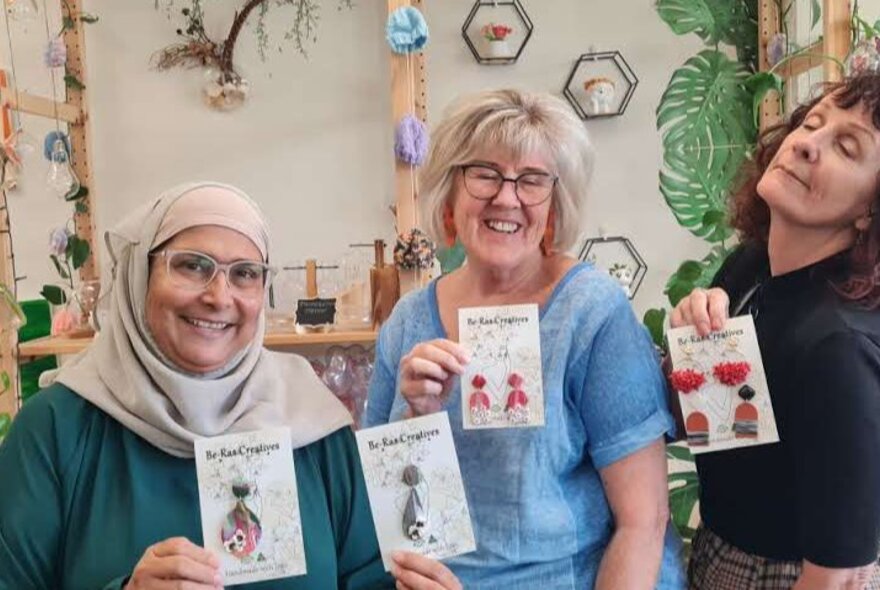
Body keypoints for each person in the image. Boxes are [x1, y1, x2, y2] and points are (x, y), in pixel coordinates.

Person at [0, 182, 461, 590]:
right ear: (140, 275)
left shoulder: (311, 424)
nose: (218, 296)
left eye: (244, 273)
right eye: (191, 266)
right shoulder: (58, 429)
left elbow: (368, 578)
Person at [365, 89, 685, 589]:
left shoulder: (591, 312)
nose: (507, 197)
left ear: (555, 203)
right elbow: (393, 511)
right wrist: (418, 418)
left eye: (531, 180)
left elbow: (644, 523)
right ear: (450, 191)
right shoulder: (408, 322)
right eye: (484, 173)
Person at [669, 74, 880, 589]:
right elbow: (712, 431)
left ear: (868, 213)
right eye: (812, 123)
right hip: (720, 547)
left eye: (847, 148)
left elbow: (837, 573)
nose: (807, 143)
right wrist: (691, 350)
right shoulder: (751, 267)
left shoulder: (839, 348)